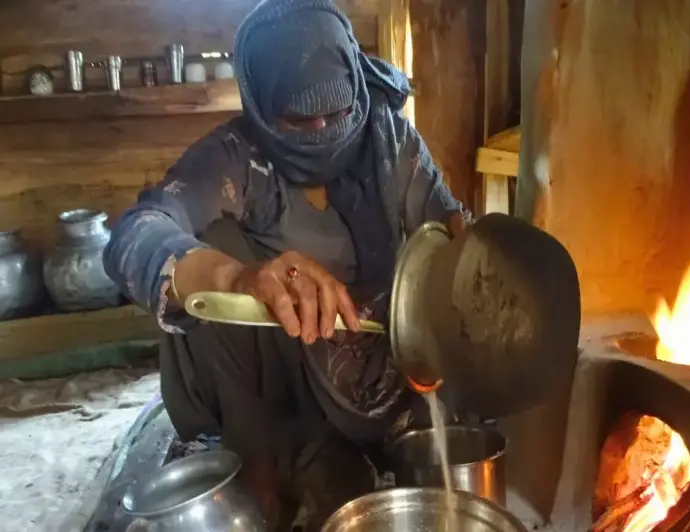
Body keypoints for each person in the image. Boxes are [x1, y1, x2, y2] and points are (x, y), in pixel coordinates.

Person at [103, 0, 470, 529]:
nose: (323, 130)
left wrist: (470, 259)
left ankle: (347, 453)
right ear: (259, 104)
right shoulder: (235, 158)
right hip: (284, 370)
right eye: (299, 119)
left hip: (384, 361)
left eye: (339, 112)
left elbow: (451, 235)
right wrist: (237, 277)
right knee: (216, 240)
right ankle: (264, 467)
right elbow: (132, 237)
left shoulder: (390, 142)